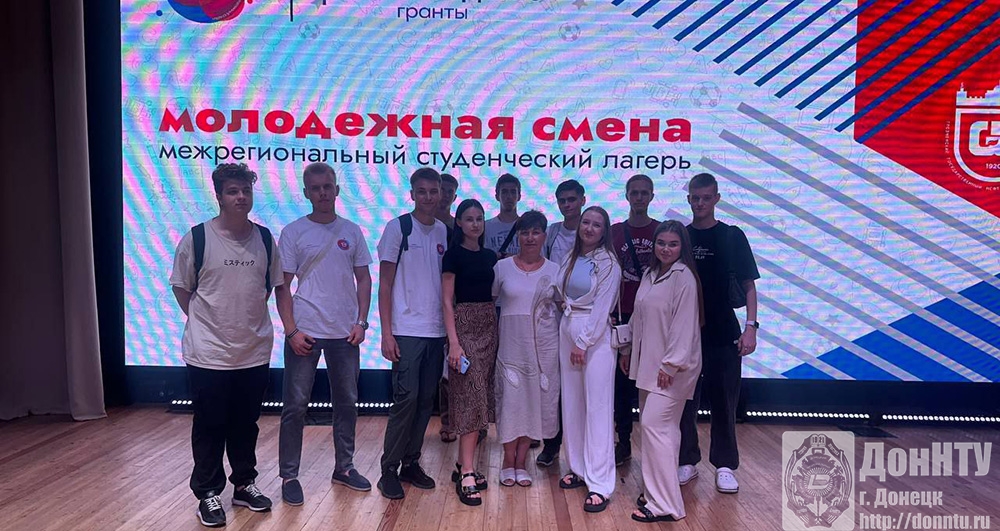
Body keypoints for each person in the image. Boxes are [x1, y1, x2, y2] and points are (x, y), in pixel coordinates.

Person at [169, 163, 285, 528]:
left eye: (245, 191)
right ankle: (207, 493)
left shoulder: (264, 238)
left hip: (253, 351)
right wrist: (208, 322)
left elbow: (269, 287)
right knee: (209, 425)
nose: (241, 197)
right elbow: (181, 288)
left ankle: (244, 484)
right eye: (233, 191)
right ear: (219, 196)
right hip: (208, 354)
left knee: (246, 424)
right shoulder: (197, 238)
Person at [275, 163, 373, 506]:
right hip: (305, 331)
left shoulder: (352, 230)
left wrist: (362, 322)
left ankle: (344, 467)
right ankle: (289, 475)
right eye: (315, 188)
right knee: (295, 406)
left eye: (327, 186)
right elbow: (282, 286)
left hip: (344, 333)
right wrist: (291, 330)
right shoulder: (293, 232)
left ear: (337, 190)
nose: (322, 192)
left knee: (347, 403)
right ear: (306, 193)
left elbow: (364, 278)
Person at [679, 172, 760, 494]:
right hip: (686, 333)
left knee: (725, 401)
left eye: (706, 197)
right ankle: (687, 460)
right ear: (688, 199)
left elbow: (748, 285)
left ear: (716, 199)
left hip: (724, 331)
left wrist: (751, 328)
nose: (700, 203)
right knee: (685, 400)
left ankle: (725, 465)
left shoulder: (731, 236)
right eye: (695, 198)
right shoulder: (681, 237)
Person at [620, 220, 703, 523]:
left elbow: (684, 325)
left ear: (683, 247)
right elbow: (639, 318)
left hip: (672, 369)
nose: (666, 249)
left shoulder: (684, 278)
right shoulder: (650, 274)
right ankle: (658, 494)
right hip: (650, 365)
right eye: (661, 243)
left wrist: (671, 364)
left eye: (673, 244)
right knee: (664, 432)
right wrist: (627, 348)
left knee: (655, 428)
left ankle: (665, 504)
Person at [376, 167, 449, 500]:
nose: (428, 197)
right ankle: (388, 470)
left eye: (434, 191)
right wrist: (386, 333)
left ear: (441, 194)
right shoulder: (399, 228)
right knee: (405, 401)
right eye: (422, 191)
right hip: (406, 331)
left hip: (436, 331)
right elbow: (385, 284)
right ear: (412, 194)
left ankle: (411, 463)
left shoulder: (443, 231)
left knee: (424, 402)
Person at [555, 206, 622, 514]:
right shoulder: (570, 257)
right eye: (586, 222)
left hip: (593, 339)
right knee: (572, 404)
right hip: (568, 329)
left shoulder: (609, 263)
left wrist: (583, 342)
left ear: (604, 231)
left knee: (597, 407)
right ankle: (579, 468)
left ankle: (600, 484)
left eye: (597, 224)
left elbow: (603, 306)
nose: (589, 228)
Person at [493, 211, 561, 487]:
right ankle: (507, 460)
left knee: (533, 403)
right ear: (518, 236)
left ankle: (522, 462)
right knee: (510, 402)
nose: (530, 237)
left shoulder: (555, 270)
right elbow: (489, 303)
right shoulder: (502, 268)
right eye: (525, 232)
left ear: (544, 236)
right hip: (510, 345)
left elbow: (563, 307)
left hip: (542, 348)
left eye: (535, 232)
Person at [441, 199, 499, 506]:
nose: (475, 223)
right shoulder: (453, 255)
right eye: (469, 218)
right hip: (463, 328)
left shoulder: (490, 256)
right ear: (459, 223)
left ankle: (464, 465)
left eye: (479, 218)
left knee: (481, 398)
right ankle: (467, 471)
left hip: (489, 326)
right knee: (470, 398)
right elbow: (446, 300)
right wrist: (454, 341)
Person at [609, 174, 659, 466]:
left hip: (652, 318)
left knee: (650, 381)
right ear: (627, 196)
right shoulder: (614, 232)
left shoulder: (661, 231)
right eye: (634, 193)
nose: (639, 198)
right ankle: (623, 441)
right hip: (622, 316)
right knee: (621, 383)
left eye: (644, 193)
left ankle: (655, 446)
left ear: (652, 196)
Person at [536, 178, 586, 468]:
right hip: (553, 321)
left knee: (580, 386)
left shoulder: (590, 231)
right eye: (562, 200)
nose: (567, 205)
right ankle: (551, 444)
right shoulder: (552, 232)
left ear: (582, 200)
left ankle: (582, 448)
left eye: (571, 199)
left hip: (584, 320)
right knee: (553, 385)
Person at [436, 173, 459, 443]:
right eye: (440, 190)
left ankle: (454, 420)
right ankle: (444, 420)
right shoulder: (418, 225)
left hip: (454, 303)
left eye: (449, 191)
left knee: (451, 367)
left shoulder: (459, 228)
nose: (443, 196)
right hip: (423, 306)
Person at [484, 173, 522, 258]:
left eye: (513, 192)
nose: (509, 196)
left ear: (519, 196)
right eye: (504, 192)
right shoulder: (486, 227)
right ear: (497, 196)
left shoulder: (526, 226)